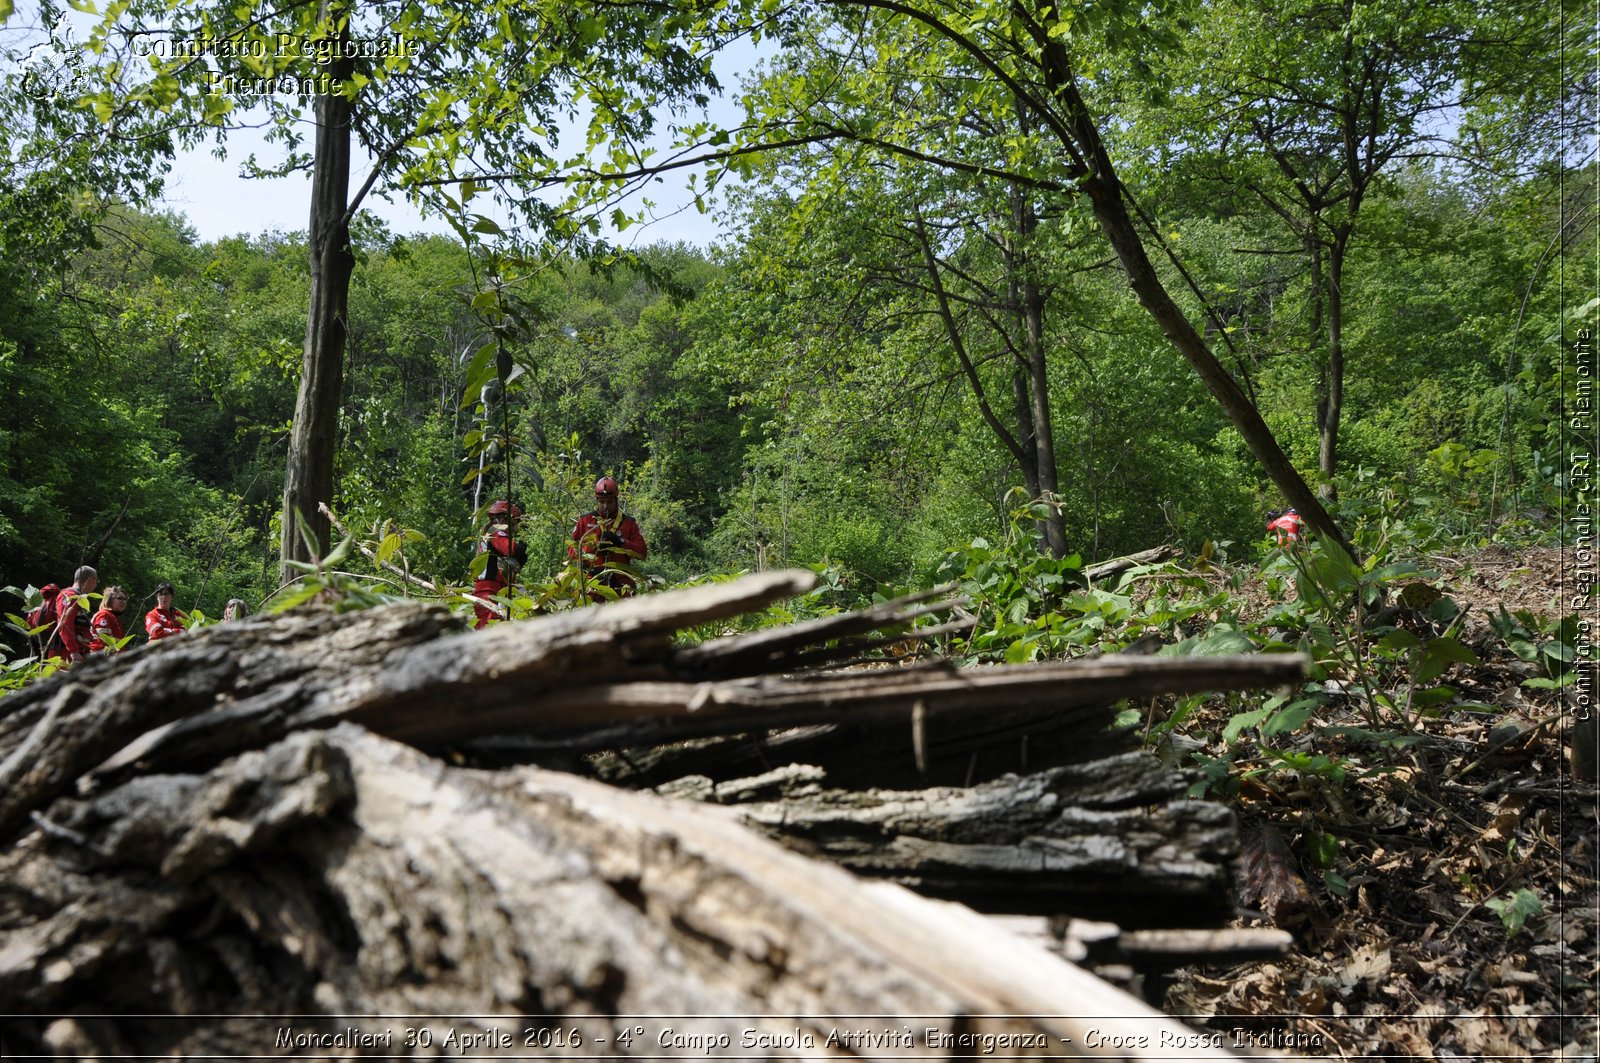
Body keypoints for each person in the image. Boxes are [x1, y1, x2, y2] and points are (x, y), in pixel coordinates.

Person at [569, 476, 648, 599]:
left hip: (620, 581)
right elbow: (571, 551)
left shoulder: (628, 523)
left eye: (609, 502)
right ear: (597, 501)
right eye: (601, 502)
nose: (605, 506)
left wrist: (621, 542)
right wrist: (590, 548)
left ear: (616, 501)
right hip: (592, 579)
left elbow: (642, 553)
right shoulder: (585, 521)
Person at [472, 499, 529, 629]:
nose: (515, 527)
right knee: (489, 632)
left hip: (494, 590)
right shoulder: (495, 531)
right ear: (505, 519)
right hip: (488, 591)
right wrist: (519, 549)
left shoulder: (488, 533)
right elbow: (509, 549)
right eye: (514, 522)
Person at [50, 566, 98, 665]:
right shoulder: (70, 595)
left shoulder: (79, 597)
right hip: (64, 652)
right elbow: (65, 624)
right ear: (90, 579)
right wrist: (73, 651)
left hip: (77, 652)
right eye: (96, 580)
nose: (96, 584)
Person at [89, 585, 130, 654]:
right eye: (119, 598)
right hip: (100, 656)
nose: (123, 601)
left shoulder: (114, 617)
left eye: (125, 599)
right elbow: (103, 638)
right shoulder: (104, 614)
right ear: (109, 599)